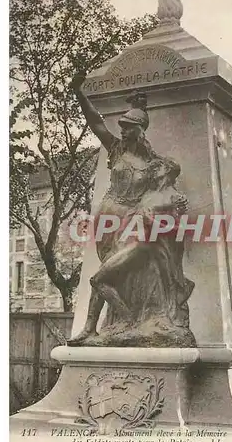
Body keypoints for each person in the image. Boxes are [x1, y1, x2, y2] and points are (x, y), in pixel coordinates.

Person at [67, 72, 196, 347]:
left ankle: (112, 323)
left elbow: (164, 189)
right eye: (122, 126)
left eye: (128, 127)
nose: (122, 130)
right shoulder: (115, 149)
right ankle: (92, 327)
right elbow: (94, 123)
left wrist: (178, 204)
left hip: (130, 219)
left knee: (109, 273)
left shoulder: (153, 165)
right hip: (106, 217)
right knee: (106, 268)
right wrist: (79, 93)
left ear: (141, 130)